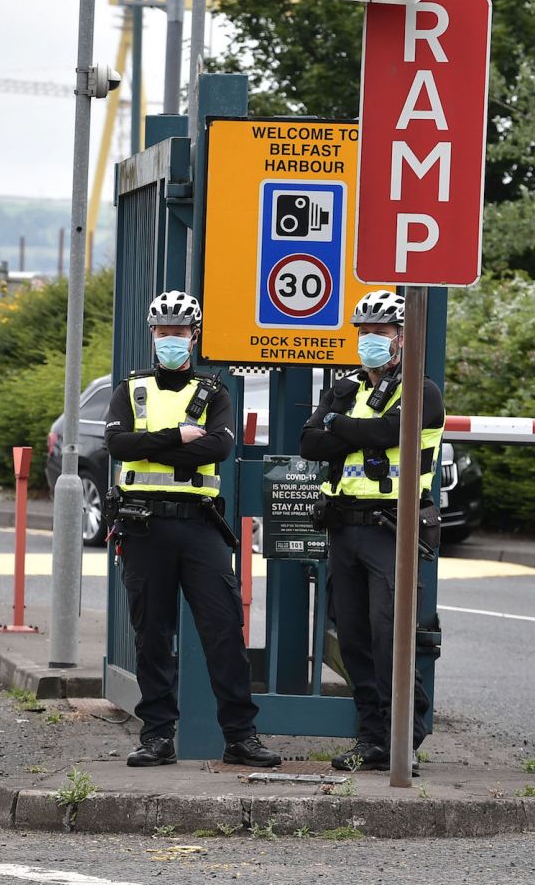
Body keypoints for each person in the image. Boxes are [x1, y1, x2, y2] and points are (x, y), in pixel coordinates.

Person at [104, 290, 280, 768]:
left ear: (194, 336)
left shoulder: (214, 392)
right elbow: (118, 444)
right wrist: (179, 438)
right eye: (163, 332)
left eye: (179, 332)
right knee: (152, 636)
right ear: (152, 335)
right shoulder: (132, 389)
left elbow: (218, 449)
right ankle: (157, 737)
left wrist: (152, 448)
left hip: (199, 526)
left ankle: (241, 737)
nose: (171, 340)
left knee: (223, 630)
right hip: (143, 526)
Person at [299, 290, 444, 774]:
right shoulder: (344, 388)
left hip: (392, 530)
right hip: (345, 527)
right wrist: (345, 424)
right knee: (353, 639)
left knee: (391, 637)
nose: (369, 341)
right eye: (363, 332)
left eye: (379, 333)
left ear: (403, 338)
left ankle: (408, 736)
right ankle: (373, 738)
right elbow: (309, 443)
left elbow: (389, 435)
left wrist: (339, 426)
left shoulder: (422, 390)